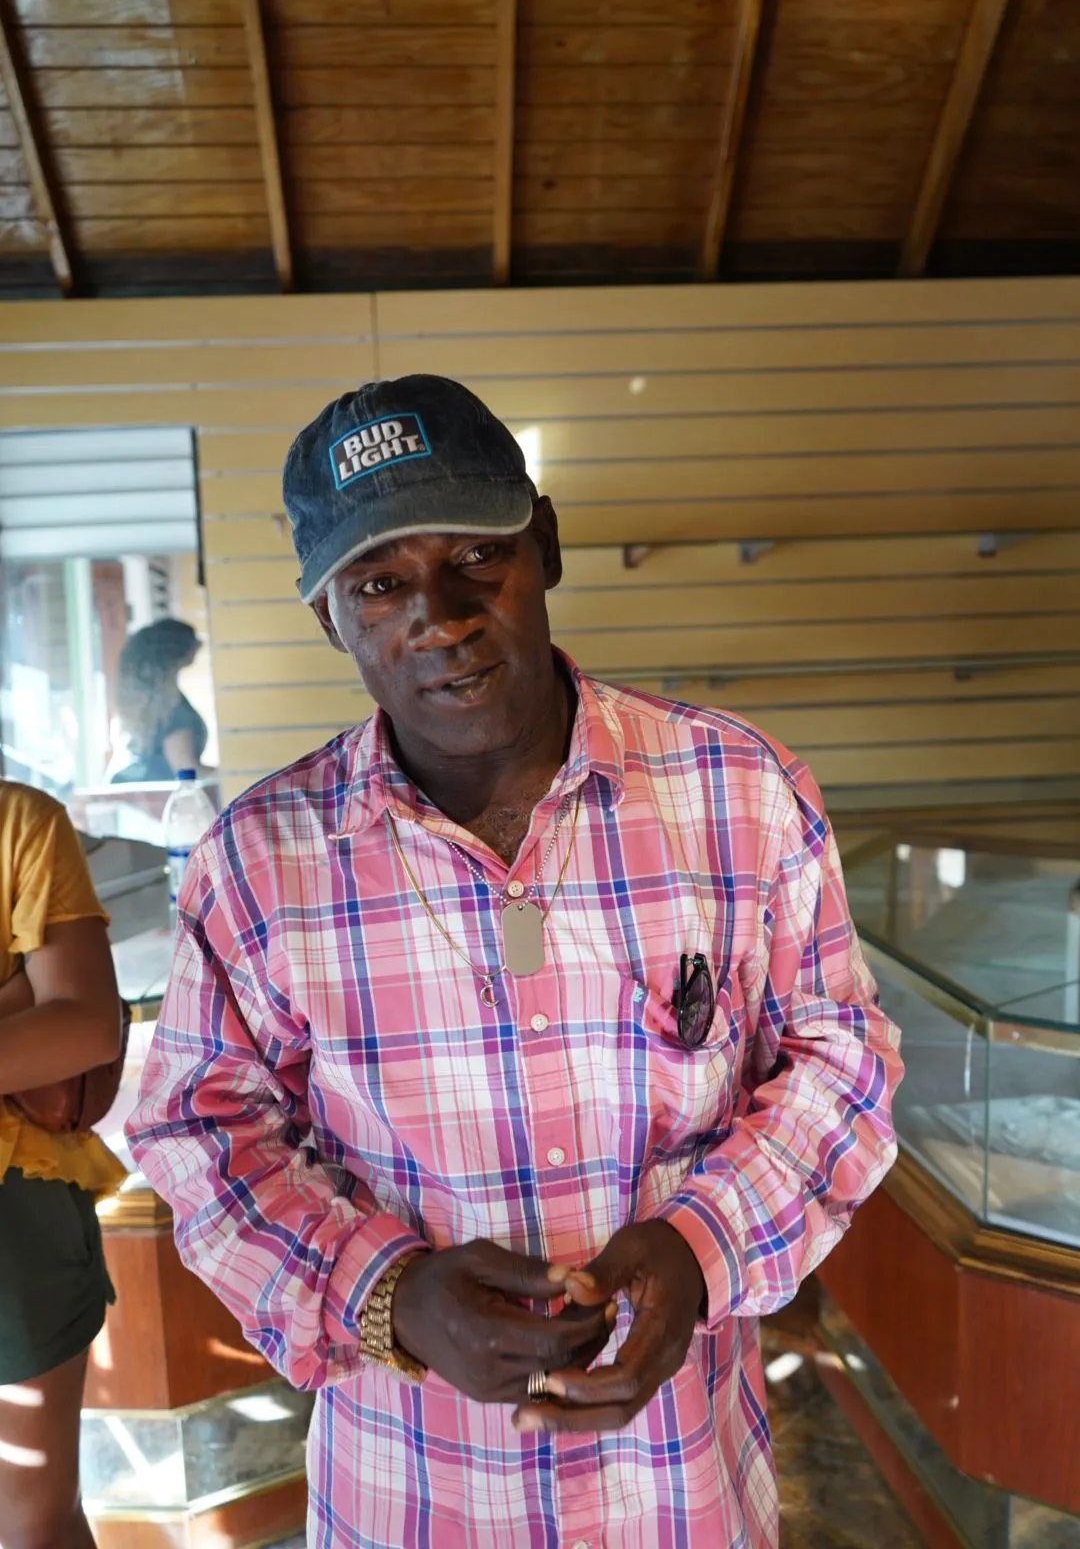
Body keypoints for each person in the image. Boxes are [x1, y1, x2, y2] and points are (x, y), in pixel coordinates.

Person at [128, 376, 903, 1549]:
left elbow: (842, 1064)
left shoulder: (740, 794)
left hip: (682, 1490)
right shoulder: (257, 864)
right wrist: (387, 1294)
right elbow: (200, 1131)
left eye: (477, 555)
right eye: (380, 583)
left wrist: (702, 1249)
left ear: (544, 541)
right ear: (331, 618)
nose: (438, 614)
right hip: (414, 1497)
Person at [0, 783, 124, 1549]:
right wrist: (18, 1001)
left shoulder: (18, 822)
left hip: (16, 1210)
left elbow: (84, 1024)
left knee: (31, 1520)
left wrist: (42, 1006)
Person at [111, 617, 208, 783]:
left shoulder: (154, 705)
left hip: (143, 798)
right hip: (158, 802)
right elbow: (187, 771)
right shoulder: (173, 711)